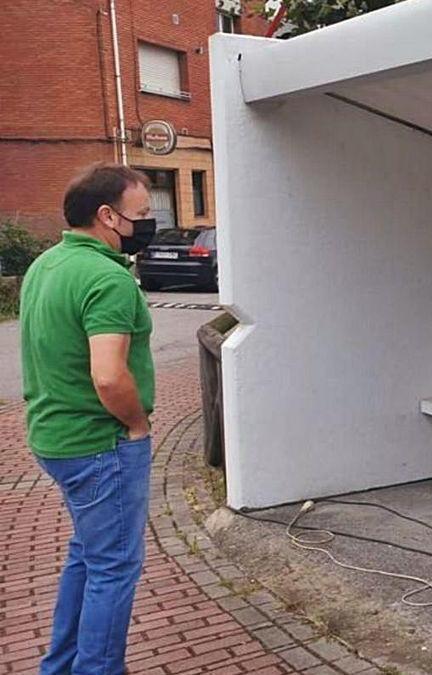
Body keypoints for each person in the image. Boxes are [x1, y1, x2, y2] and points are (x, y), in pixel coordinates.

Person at [22, 163, 158, 674]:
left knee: (88, 554)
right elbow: (108, 375)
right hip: (99, 444)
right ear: (108, 215)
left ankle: (60, 666)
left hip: (55, 438)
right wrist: (137, 426)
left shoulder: (46, 265)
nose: (148, 223)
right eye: (141, 214)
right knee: (114, 567)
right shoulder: (107, 278)